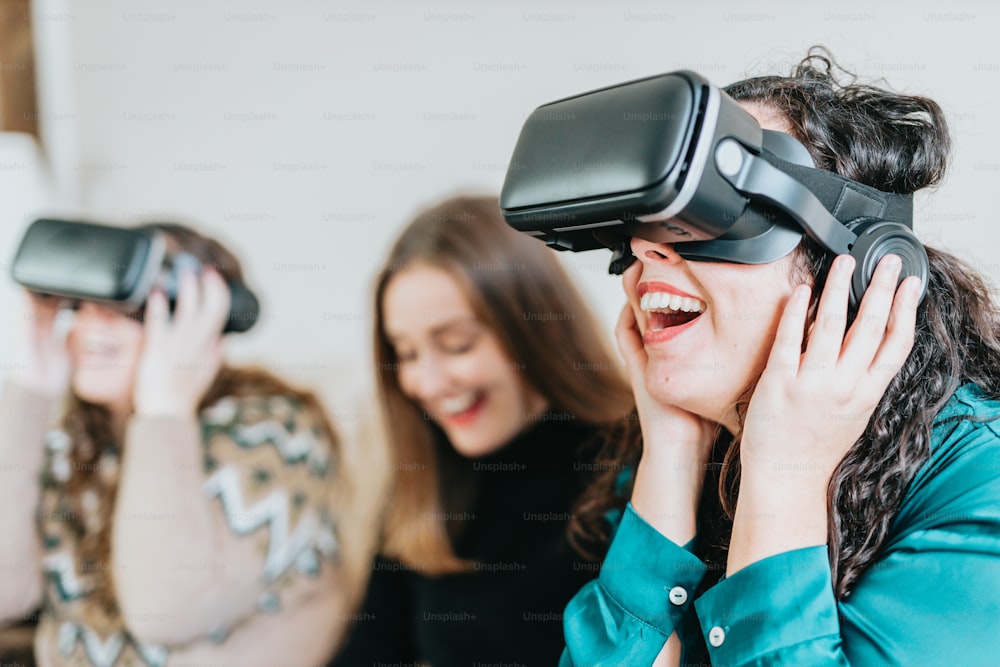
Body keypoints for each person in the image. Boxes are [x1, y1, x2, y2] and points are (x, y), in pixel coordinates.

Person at [560, 49, 1000, 666]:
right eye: (646, 220)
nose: (643, 249)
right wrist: (673, 454)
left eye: (716, 212)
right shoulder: (681, 468)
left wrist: (782, 478)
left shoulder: (984, 488)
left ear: (867, 273)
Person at [0, 222, 347, 667]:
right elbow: (6, 595)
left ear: (198, 320)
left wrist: (165, 411)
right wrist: (32, 387)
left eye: (129, 306)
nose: (91, 324)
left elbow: (163, 609)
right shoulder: (78, 436)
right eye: (83, 303)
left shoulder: (274, 435)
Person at [330, 196, 634, 666]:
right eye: (406, 354)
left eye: (457, 345)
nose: (426, 383)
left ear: (532, 328)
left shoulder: (633, 461)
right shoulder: (426, 480)